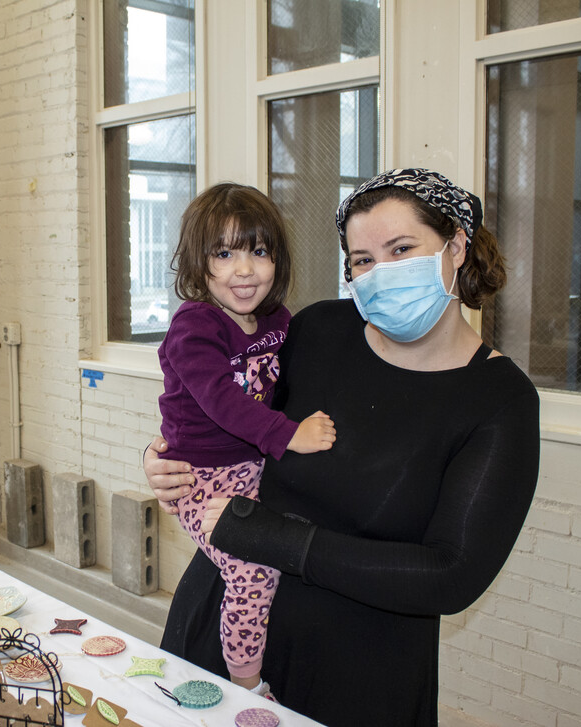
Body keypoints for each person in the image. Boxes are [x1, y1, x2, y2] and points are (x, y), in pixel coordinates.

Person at [145, 168, 540, 726]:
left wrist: (278, 539)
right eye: (362, 259)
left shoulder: (500, 401)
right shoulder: (319, 331)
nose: (380, 272)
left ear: (454, 246)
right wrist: (163, 456)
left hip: (360, 671)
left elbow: (451, 575)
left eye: (402, 248)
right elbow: (229, 411)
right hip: (223, 631)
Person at [157, 182, 337, 698]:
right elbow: (220, 399)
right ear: (199, 262)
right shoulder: (195, 326)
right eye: (224, 252)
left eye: (259, 251)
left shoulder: (277, 322)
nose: (244, 269)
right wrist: (289, 435)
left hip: (251, 468)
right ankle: (247, 683)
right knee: (252, 573)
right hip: (201, 478)